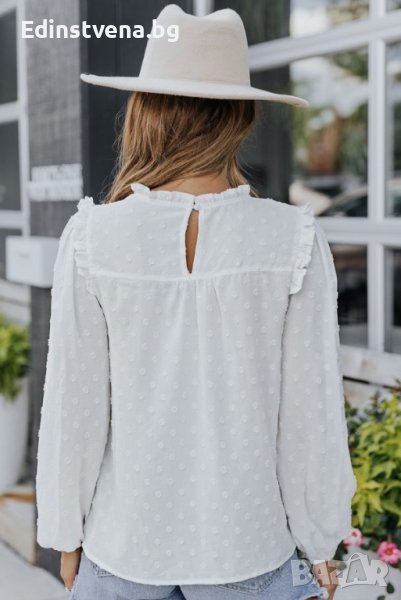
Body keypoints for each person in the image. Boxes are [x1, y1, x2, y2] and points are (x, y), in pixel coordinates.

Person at [35, 5, 357, 600]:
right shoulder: (292, 237)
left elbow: (73, 408)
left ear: (145, 110)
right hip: (248, 545)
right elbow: (309, 413)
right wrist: (320, 542)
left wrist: (64, 533)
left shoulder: (92, 237)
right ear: (241, 116)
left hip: (125, 546)